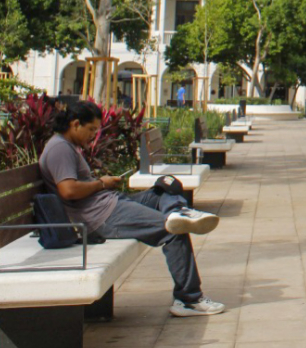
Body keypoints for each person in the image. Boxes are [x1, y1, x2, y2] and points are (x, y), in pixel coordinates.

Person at [38, 100, 225, 318]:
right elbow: (68, 190)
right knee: (173, 230)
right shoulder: (60, 148)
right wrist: (102, 183)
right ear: (75, 124)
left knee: (164, 187)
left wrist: (103, 184)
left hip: (109, 204)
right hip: (101, 216)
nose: (93, 135)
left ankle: (178, 211)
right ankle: (189, 299)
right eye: (91, 130)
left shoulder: (66, 146)